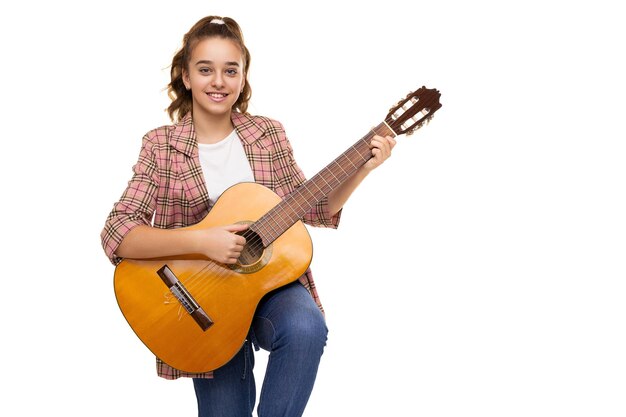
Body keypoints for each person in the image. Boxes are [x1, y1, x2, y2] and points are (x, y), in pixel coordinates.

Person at [101, 15, 396, 417]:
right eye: (205, 69)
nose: (218, 81)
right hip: (200, 304)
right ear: (186, 77)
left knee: (306, 327)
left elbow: (312, 207)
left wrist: (362, 168)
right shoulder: (161, 145)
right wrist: (203, 242)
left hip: (269, 286)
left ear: (243, 78)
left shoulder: (268, 134)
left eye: (230, 70)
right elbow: (118, 231)